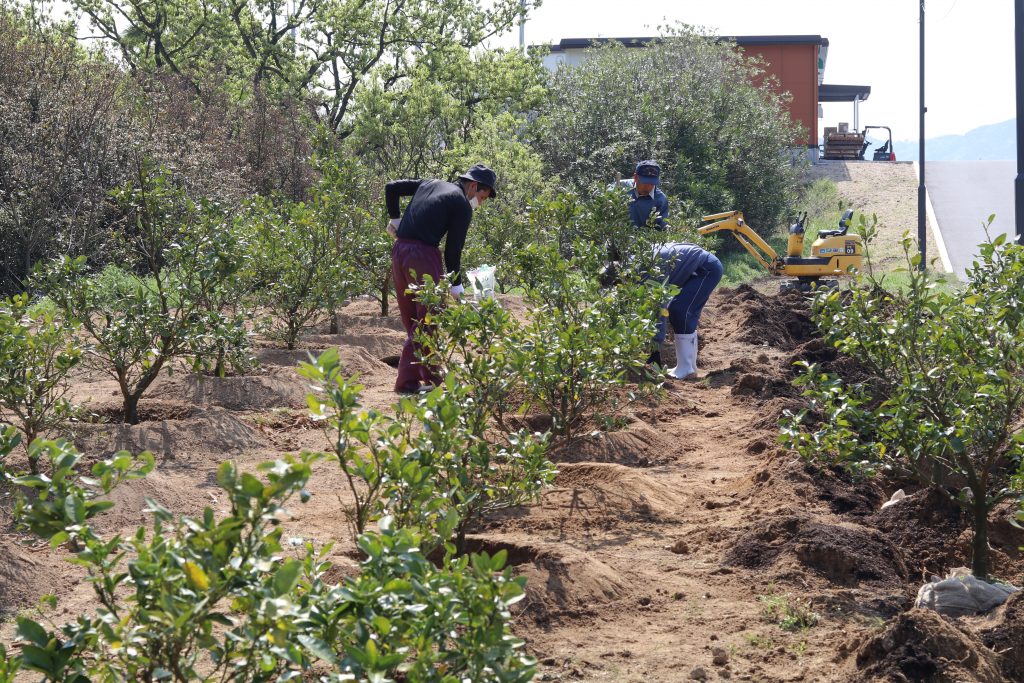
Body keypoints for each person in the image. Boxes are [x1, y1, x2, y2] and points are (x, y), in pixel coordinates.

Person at [385, 163, 496, 394]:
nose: (480, 203)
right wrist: (456, 285)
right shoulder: (462, 205)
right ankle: (406, 384)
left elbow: (392, 187)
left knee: (414, 320)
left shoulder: (430, 183)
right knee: (427, 322)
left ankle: (431, 378)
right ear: (473, 186)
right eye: (482, 197)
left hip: (399, 251)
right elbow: (453, 250)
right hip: (423, 255)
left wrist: (395, 220)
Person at [651, 242, 723, 380]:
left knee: (681, 310)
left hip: (706, 269)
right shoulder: (638, 262)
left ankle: (686, 367)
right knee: (680, 309)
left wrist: (654, 353)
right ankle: (687, 367)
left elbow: (658, 308)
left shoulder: (647, 271)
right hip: (697, 268)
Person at [628, 160, 670, 230]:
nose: (649, 187)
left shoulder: (661, 200)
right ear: (635, 178)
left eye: (652, 183)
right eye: (645, 182)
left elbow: (661, 228)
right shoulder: (622, 189)